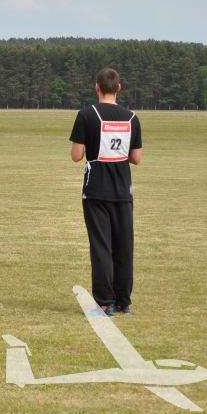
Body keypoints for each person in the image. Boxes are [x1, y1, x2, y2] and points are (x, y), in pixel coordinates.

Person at [69, 68, 143, 317]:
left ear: (97, 87)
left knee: (101, 246)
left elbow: (76, 156)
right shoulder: (131, 117)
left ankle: (105, 302)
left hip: (96, 190)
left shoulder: (86, 114)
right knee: (124, 246)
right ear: (119, 88)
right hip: (122, 190)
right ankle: (123, 302)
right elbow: (136, 158)